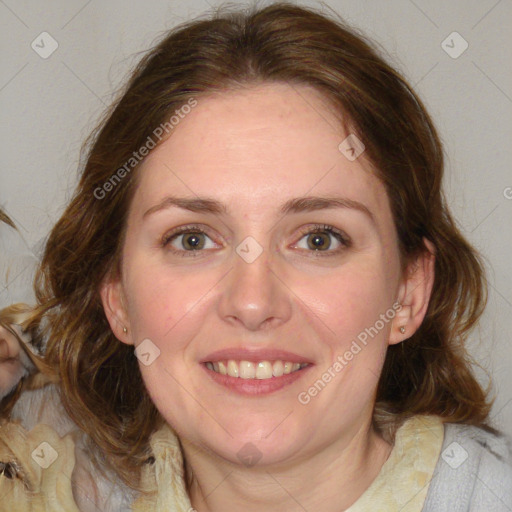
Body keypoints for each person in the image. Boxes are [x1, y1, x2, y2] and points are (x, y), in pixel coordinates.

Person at [1, 2, 511, 510]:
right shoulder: (49, 484)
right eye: (193, 239)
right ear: (116, 296)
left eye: (319, 239)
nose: (252, 302)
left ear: (408, 292)